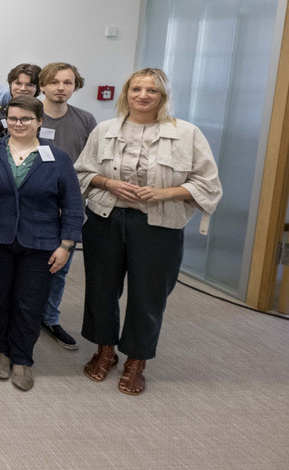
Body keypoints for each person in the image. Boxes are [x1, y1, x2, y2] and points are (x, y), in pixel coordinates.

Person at [75, 68, 222, 396]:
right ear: (126, 93)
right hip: (105, 219)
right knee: (101, 288)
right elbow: (83, 171)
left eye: (151, 91)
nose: (143, 95)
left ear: (163, 96)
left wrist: (164, 194)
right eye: (136, 89)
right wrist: (109, 182)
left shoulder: (187, 134)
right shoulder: (105, 129)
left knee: (148, 294)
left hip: (158, 226)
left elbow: (208, 185)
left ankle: (136, 361)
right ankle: (105, 351)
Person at [0, 96, 83, 391]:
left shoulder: (57, 158)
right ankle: (1, 351)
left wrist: (66, 245)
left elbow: (73, 205)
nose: (18, 124)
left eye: (25, 119)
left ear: (39, 122)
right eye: (13, 119)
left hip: (42, 243)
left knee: (29, 303)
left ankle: (23, 359)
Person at [38, 61, 99, 350]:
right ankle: (25, 314)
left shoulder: (85, 120)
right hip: (34, 205)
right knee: (28, 266)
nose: (61, 88)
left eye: (67, 82)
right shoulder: (29, 116)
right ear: (43, 85)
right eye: (55, 82)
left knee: (60, 268)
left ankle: (49, 317)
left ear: (75, 86)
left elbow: (92, 164)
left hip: (70, 206)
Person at [0, 63, 40, 140]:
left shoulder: (43, 114)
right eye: (18, 83)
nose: (23, 88)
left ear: (37, 88)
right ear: (10, 85)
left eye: (29, 84)